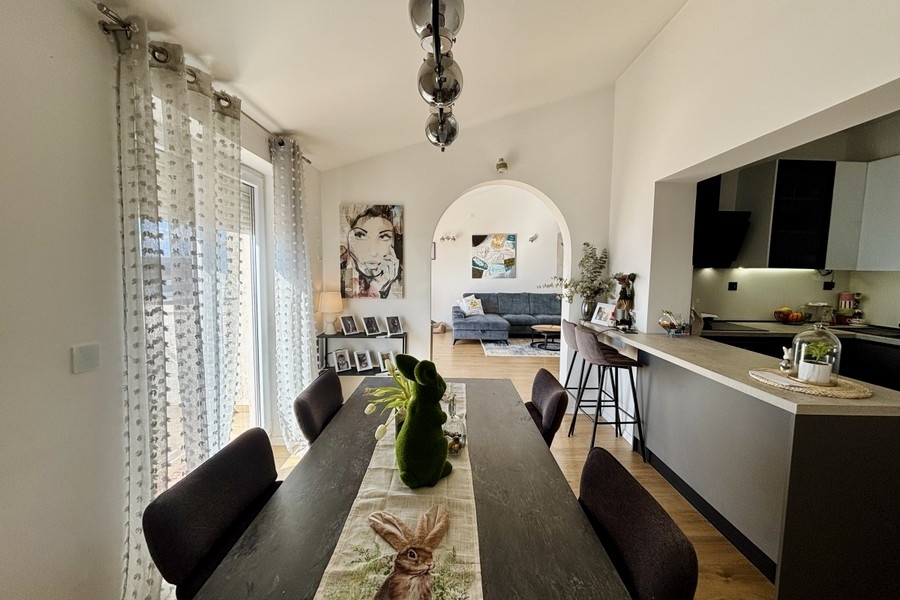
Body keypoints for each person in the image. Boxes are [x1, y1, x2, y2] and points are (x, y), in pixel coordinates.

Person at [340, 204, 403, 299]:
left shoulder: (402, 282)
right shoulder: (339, 279)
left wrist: (383, 286)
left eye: (383, 236)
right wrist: (377, 285)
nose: (373, 252)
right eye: (360, 235)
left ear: (393, 243)